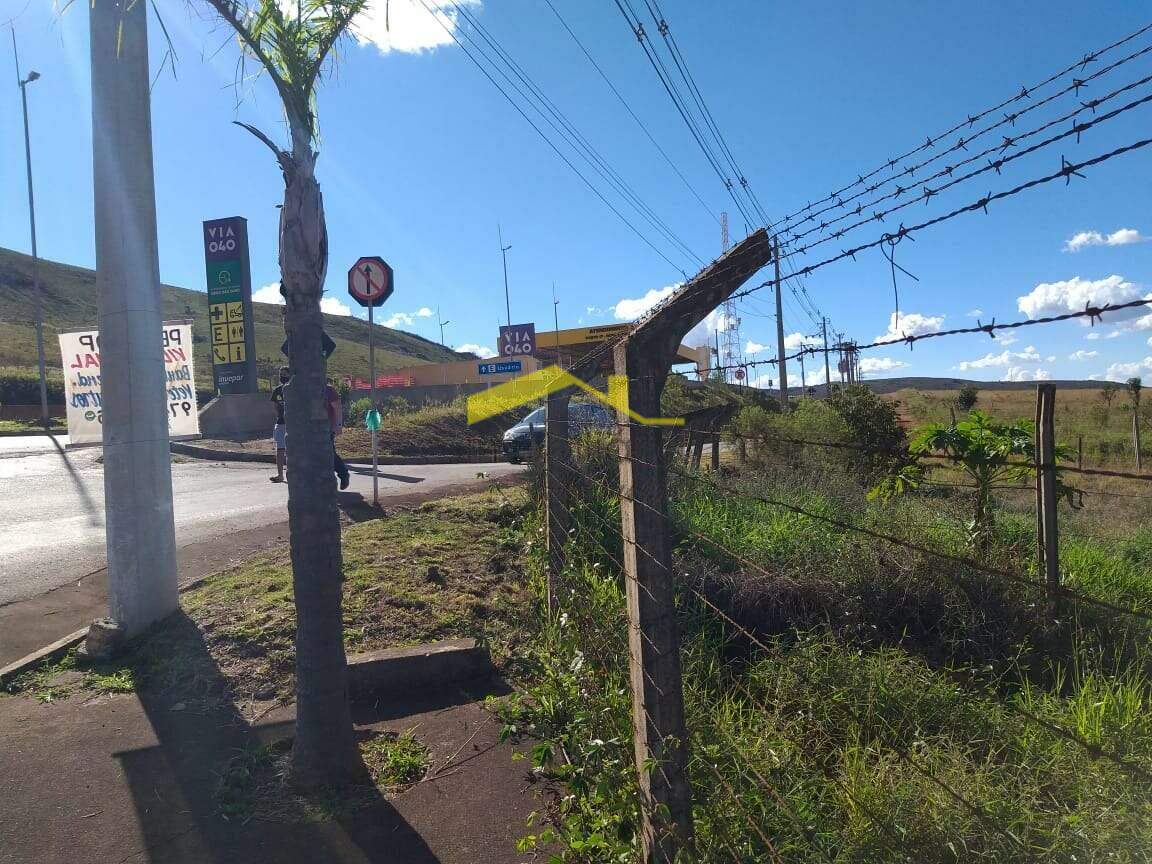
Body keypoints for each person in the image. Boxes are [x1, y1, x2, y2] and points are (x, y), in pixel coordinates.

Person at [326, 377, 350, 490]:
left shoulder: (328, 390)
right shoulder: (307, 389)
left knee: (329, 453)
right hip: (311, 430)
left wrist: (338, 425)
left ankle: (343, 474)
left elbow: (337, 408)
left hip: (327, 428)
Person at [270, 366, 290, 483]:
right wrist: (280, 416)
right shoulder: (277, 390)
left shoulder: (295, 390)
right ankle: (280, 474)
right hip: (281, 423)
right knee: (280, 449)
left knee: (292, 450)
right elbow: (275, 407)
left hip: (293, 424)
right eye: (281, 374)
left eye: (285, 374)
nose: (283, 376)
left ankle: (291, 473)